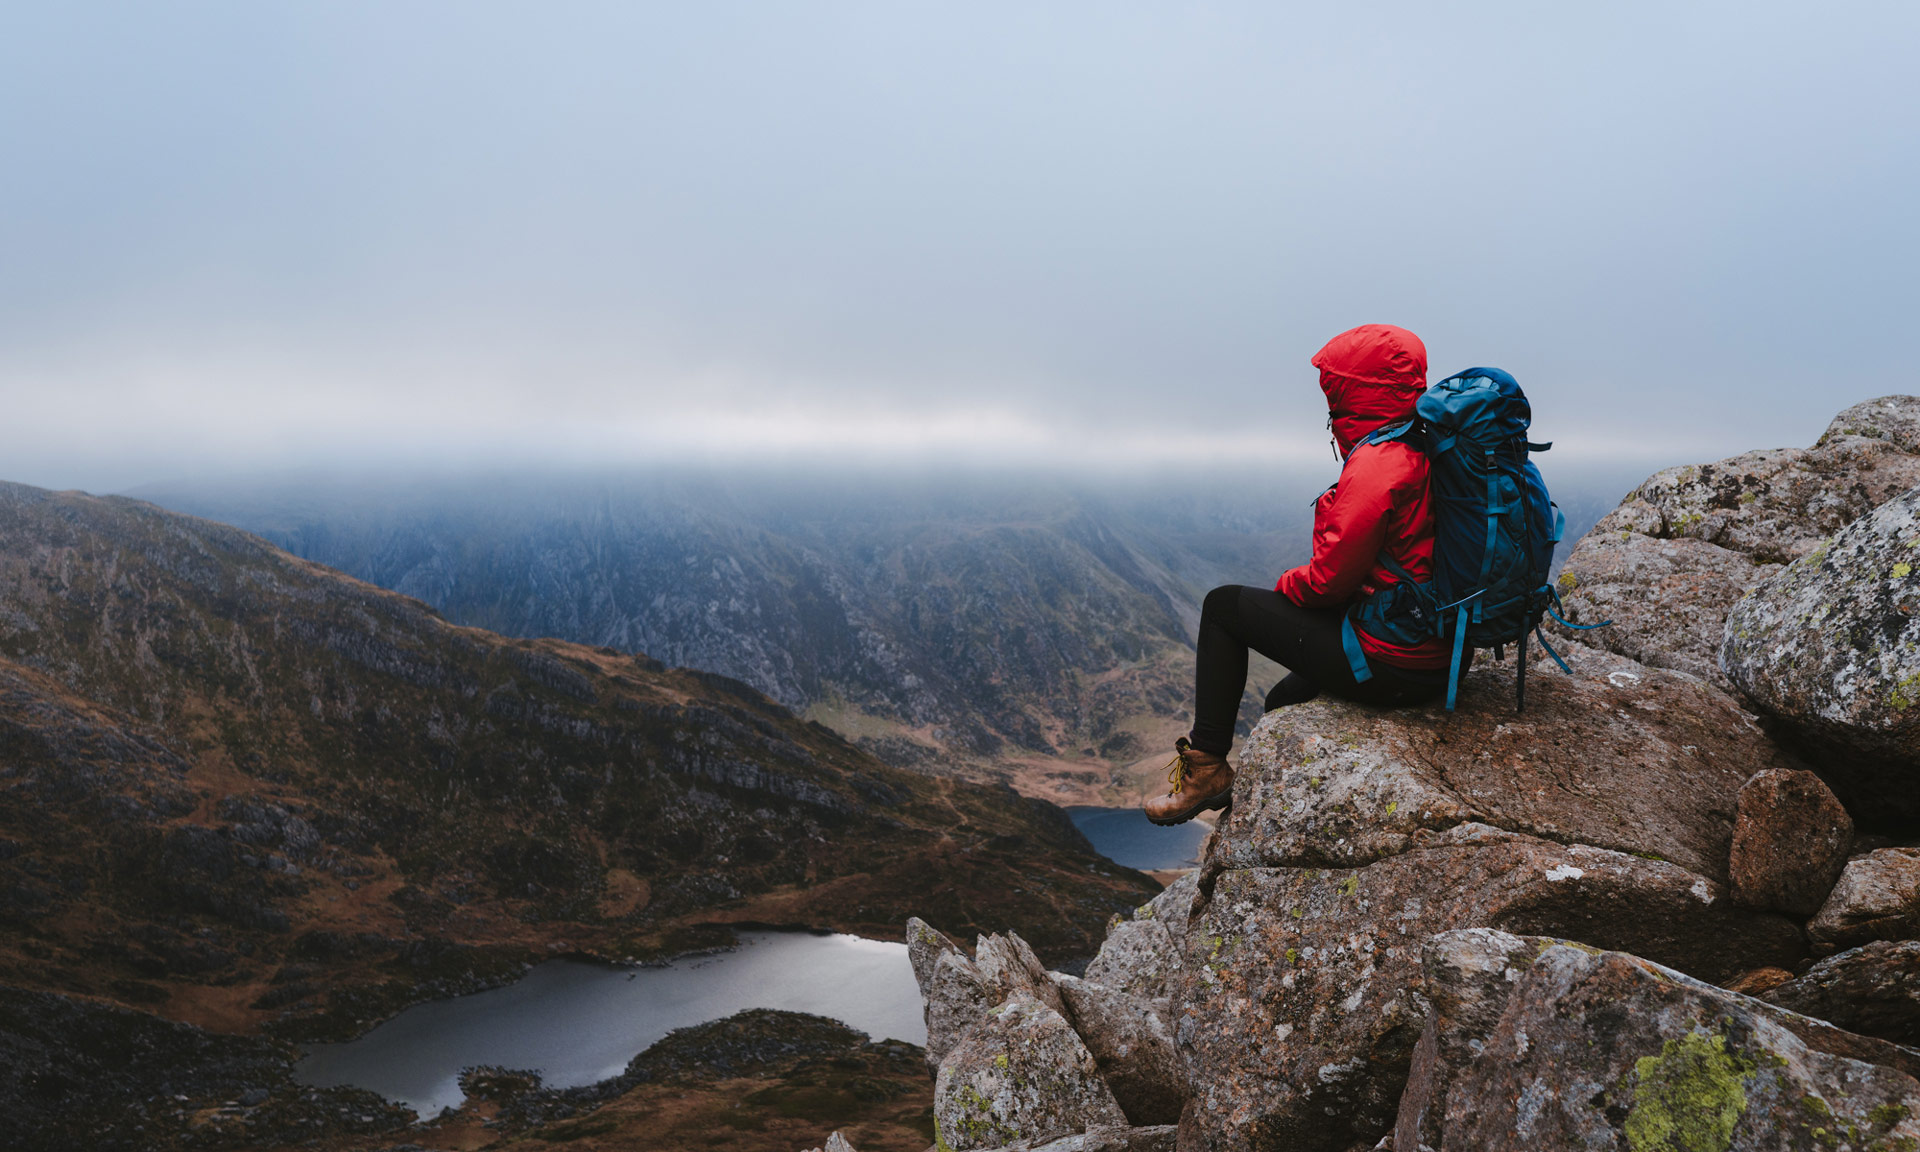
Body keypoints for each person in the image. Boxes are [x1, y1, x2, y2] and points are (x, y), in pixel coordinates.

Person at [1143, 323, 1455, 826]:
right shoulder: (1429, 446)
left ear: (1357, 390)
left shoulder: (1379, 463)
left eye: (1335, 389)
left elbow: (1329, 582)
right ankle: (1261, 791)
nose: (1328, 401)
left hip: (1394, 663)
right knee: (1284, 699)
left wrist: (1288, 583)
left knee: (1224, 607)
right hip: (1440, 656)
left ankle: (1205, 769)